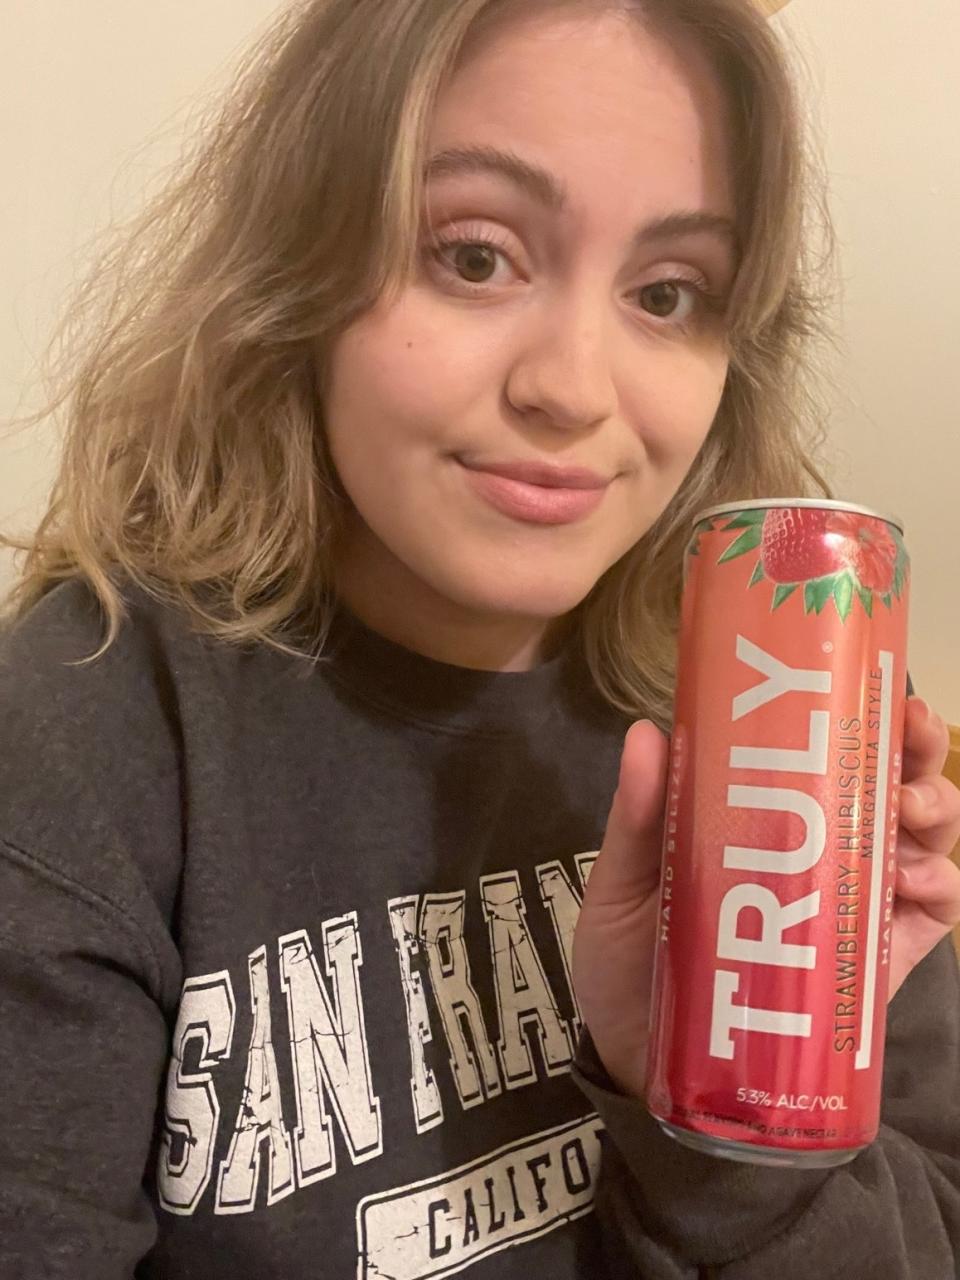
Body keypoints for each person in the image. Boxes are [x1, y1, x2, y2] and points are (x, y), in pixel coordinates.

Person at [1, 0, 959, 1276]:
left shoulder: (776, 732)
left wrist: (725, 1125)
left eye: (668, 291)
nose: (571, 386)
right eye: (473, 255)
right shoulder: (85, 735)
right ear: (301, 265)